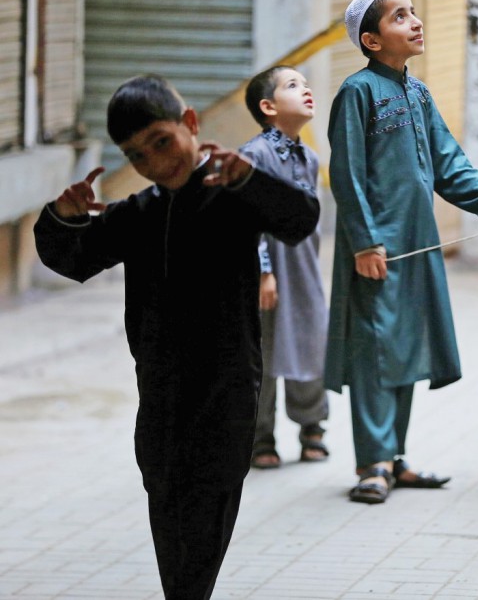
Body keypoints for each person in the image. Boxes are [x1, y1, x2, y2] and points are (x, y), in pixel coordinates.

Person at [33, 74, 320, 598]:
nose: (157, 163)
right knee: (167, 510)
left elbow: (299, 219)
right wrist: (61, 217)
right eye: (138, 155)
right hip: (161, 397)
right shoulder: (140, 214)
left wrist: (249, 179)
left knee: (205, 520)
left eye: (162, 142)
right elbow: (73, 258)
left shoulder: (230, 195)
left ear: (190, 124)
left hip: (226, 391)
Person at [326, 0, 478, 504]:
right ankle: (371, 463)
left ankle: (394, 456)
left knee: (405, 345)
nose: (415, 22)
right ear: (370, 39)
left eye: (414, 11)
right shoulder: (356, 92)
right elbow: (346, 172)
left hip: (418, 243)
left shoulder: (419, 93)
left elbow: (450, 166)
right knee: (374, 349)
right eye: (399, 17)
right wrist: (364, 242)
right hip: (376, 248)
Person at [240, 66, 331, 469]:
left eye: (306, 84)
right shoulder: (253, 155)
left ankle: (313, 427)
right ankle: (261, 437)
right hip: (269, 270)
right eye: (293, 86)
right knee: (264, 350)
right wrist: (263, 271)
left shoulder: (309, 157)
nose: (306, 90)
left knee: (310, 341)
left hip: (303, 266)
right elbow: (247, 219)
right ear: (268, 106)